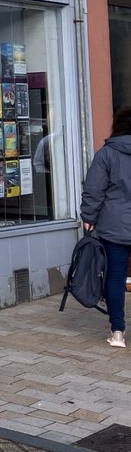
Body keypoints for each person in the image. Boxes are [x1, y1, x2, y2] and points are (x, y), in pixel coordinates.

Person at [80, 106, 131, 348]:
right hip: (116, 225)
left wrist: (88, 216)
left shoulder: (106, 154)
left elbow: (94, 190)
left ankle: (118, 332)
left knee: (115, 277)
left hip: (114, 226)